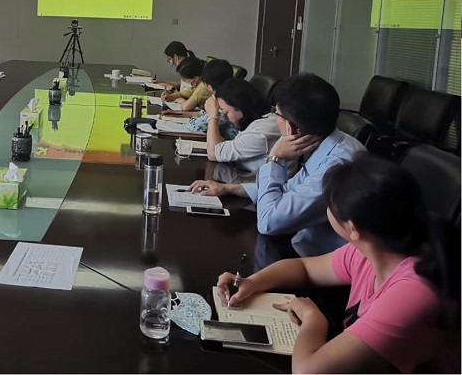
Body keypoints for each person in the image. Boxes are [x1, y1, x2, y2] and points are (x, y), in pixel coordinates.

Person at [216, 153, 459, 373]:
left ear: (352, 228)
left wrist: (313, 318)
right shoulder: (373, 248)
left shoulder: (414, 291)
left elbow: (308, 371)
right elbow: (304, 268)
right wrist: (252, 282)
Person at [191, 73, 366, 257]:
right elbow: (290, 189)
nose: (274, 119)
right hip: (302, 245)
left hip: (317, 259)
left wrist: (275, 159)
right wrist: (229, 188)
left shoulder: (336, 167)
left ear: (290, 128)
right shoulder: (331, 143)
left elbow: (269, 222)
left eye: (277, 113)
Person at [204, 78, 280, 173]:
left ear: (240, 106)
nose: (225, 117)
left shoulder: (258, 134)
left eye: (225, 112)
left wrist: (213, 116)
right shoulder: (261, 119)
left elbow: (213, 153)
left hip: (250, 180)